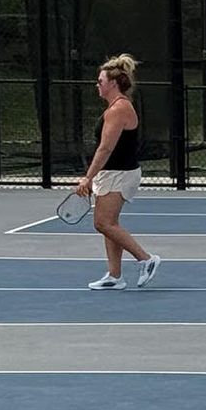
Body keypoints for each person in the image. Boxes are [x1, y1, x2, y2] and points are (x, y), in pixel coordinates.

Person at [76, 54, 161, 290]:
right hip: (112, 173)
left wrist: (88, 177)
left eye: (100, 81)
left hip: (120, 174)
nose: (97, 85)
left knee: (103, 223)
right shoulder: (115, 107)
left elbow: (106, 148)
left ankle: (146, 260)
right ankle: (115, 276)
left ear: (113, 83)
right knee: (109, 223)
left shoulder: (119, 109)